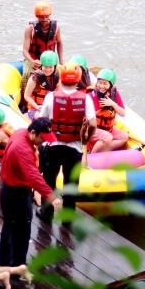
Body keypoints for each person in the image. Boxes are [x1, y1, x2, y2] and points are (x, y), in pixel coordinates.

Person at [36, 61, 97, 222]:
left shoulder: (50, 97)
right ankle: (68, 218)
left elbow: (42, 121)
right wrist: (86, 140)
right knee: (71, 185)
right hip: (75, 148)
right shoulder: (86, 99)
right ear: (78, 81)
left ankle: (46, 213)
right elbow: (92, 125)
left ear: (60, 79)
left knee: (49, 181)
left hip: (53, 146)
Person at [0, 117, 63, 267]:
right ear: (33, 132)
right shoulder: (23, 149)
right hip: (15, 193)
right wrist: (53, 198)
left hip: (13, 187)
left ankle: (13, 264)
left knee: (15, 227)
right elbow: (33, 176)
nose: (43, 142)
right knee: (17, 229)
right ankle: (13, 266)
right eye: (42, 138)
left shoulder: (21, 132)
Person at [21, 0, 63, 105]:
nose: (44, 19)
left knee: (59, 75)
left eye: (46, 16)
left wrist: (61, 60)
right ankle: (23, 101)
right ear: (37, 16)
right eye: (41, 17)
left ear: (50, 15)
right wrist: (31, 61)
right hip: (34, 59)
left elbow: (60, 43)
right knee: (26, 74)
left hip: (50, 60)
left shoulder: (56, 27)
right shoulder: (30, 29)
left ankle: (56, 99)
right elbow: (25, 50)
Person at [87, 69, 129, 153]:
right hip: (90, 130)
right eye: (100, 83)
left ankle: (102, 150)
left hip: (107, 130)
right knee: (108, 137)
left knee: (124, 137)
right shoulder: (90, 96)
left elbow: (123, 113)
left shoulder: (115, 95)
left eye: (105, 83)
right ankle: (91, 155)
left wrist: (112, 104)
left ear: (111, 85)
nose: (102, 86)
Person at [23, 50, 60, 120]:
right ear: (41, 65)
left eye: (50, 67)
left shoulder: (58, 77)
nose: (48, 70)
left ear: (54, 66)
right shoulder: (34, 78)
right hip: (35, 109)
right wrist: (38, 107)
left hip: (50, 107)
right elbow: (26, 96)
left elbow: (60, 95)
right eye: (45, 67)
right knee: (43, 117)